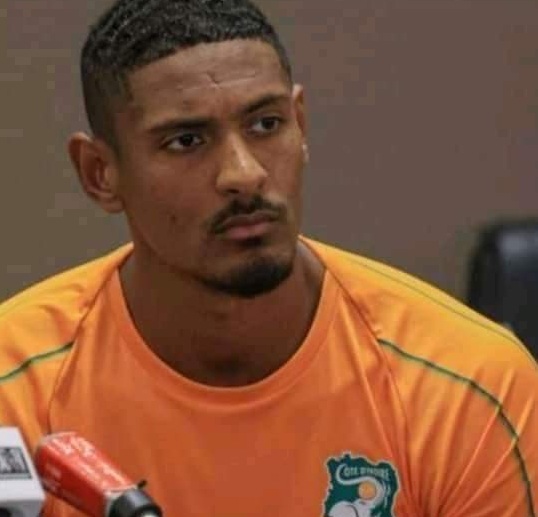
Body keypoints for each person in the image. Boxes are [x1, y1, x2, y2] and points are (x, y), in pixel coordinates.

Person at [0, 0, 536, 515]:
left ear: (300, 123)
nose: (244, 173)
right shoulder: (14, 386)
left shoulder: (469, 388)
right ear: (99, 173)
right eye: (186, 141)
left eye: (265, 125)